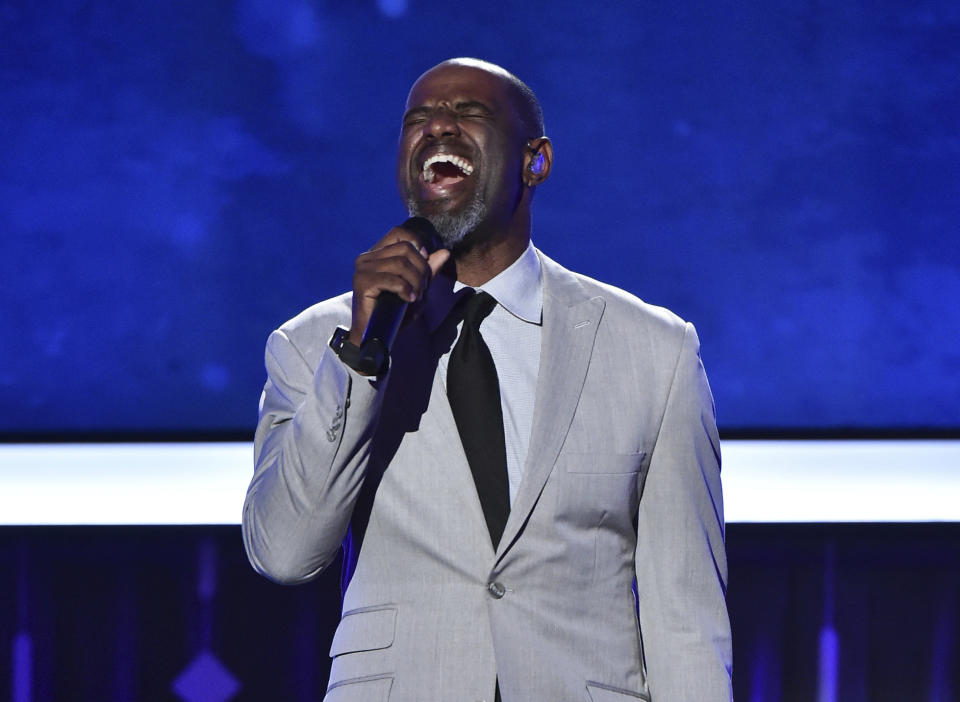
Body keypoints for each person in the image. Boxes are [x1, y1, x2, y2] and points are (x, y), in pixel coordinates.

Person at [242, 57, 732, 702]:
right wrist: (361, 357)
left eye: (468, 114)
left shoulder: (654, 349)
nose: (437, 128)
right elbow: (283, 552)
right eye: (417, 120)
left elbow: (685, 610)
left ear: (536, 161)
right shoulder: (316, 345)